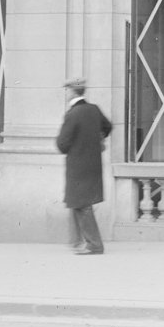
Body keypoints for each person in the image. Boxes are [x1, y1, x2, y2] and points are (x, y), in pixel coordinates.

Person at [56, 78, 113, 256]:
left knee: (81, 204)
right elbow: (108, 126)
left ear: (73, 92)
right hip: (93, 163)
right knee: (78, 203)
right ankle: (77, 241)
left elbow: (62, 144)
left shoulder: (72, 114)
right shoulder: (93, 110)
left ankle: (94, 244)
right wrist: (96, 139)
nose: (65, 93)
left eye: (67, 90)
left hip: (78, 165)